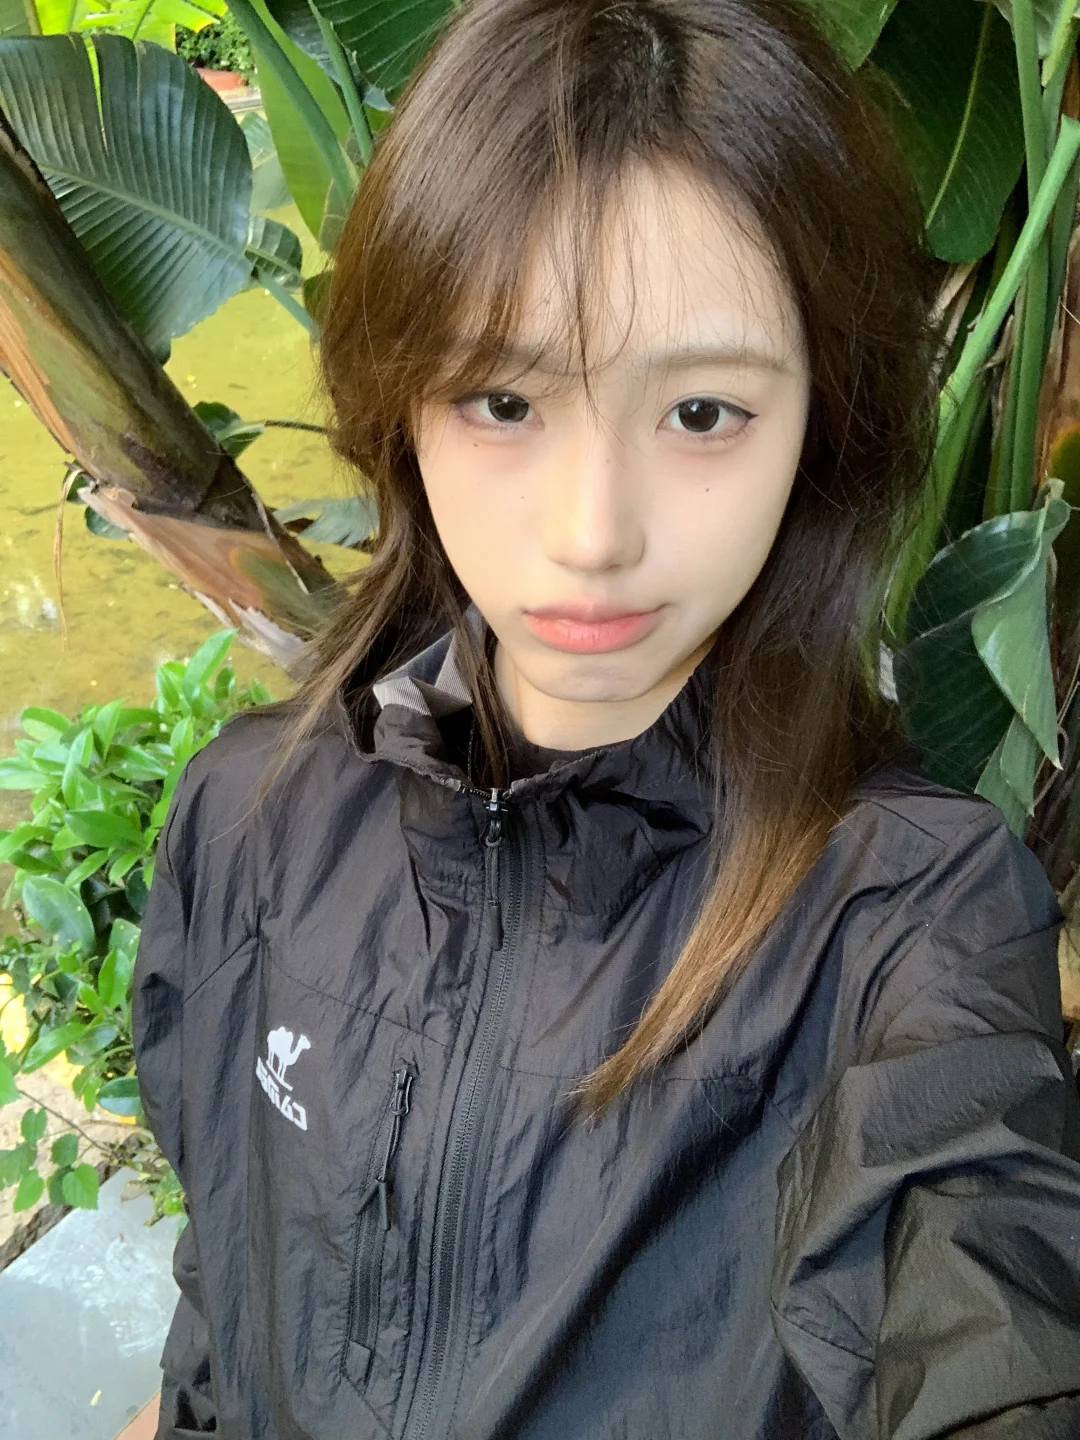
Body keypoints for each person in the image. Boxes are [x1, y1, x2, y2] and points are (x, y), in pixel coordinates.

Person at [131, 0, 1080, 1436]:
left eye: (701, 414)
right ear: (400, 404)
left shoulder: (912, 925)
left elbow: (988, 1313)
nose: (591, 536)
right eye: (503, 401)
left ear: (824, 427)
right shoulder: (248, 818)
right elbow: (227, 1276)